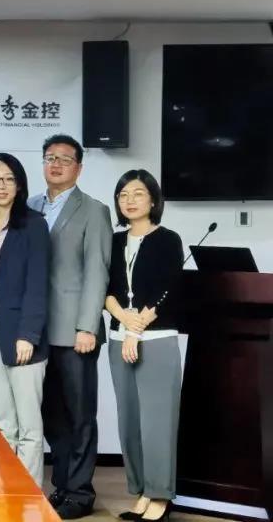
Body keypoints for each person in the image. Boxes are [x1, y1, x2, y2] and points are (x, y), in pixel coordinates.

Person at [29, 134, 113, 518]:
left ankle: (80, 493)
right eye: (50, 157)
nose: (56, 164)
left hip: (75, 332)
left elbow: (97, 271)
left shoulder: (93, 210)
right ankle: (62, 485)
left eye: (65, 159)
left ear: (78, 167)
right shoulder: (29, 206)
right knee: (51, 415)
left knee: (79, 416)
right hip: (36, 331)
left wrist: (87, 327)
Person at [104, 170, 183, 522]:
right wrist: (123, 319)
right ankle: (141, 491)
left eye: (137, 193)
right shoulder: (113, 241)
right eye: (123, 195)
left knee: (157, 422)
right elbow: (105, 289)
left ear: (153, 199)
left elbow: (169, 288)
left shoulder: (168, 240)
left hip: (156, 338)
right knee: (130, 421)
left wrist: (137, 328)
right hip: (118, 338)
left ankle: (160, 495)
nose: (130, 200)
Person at [0, 152, 50, 485]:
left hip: (21, 335)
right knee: (2, 421)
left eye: (8, 179)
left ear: (19, 185)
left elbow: (38, 283)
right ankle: (4, 491)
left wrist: (28, 335)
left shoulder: (34, 224)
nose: (0, 185)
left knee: (29, 426)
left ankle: (29, 497)